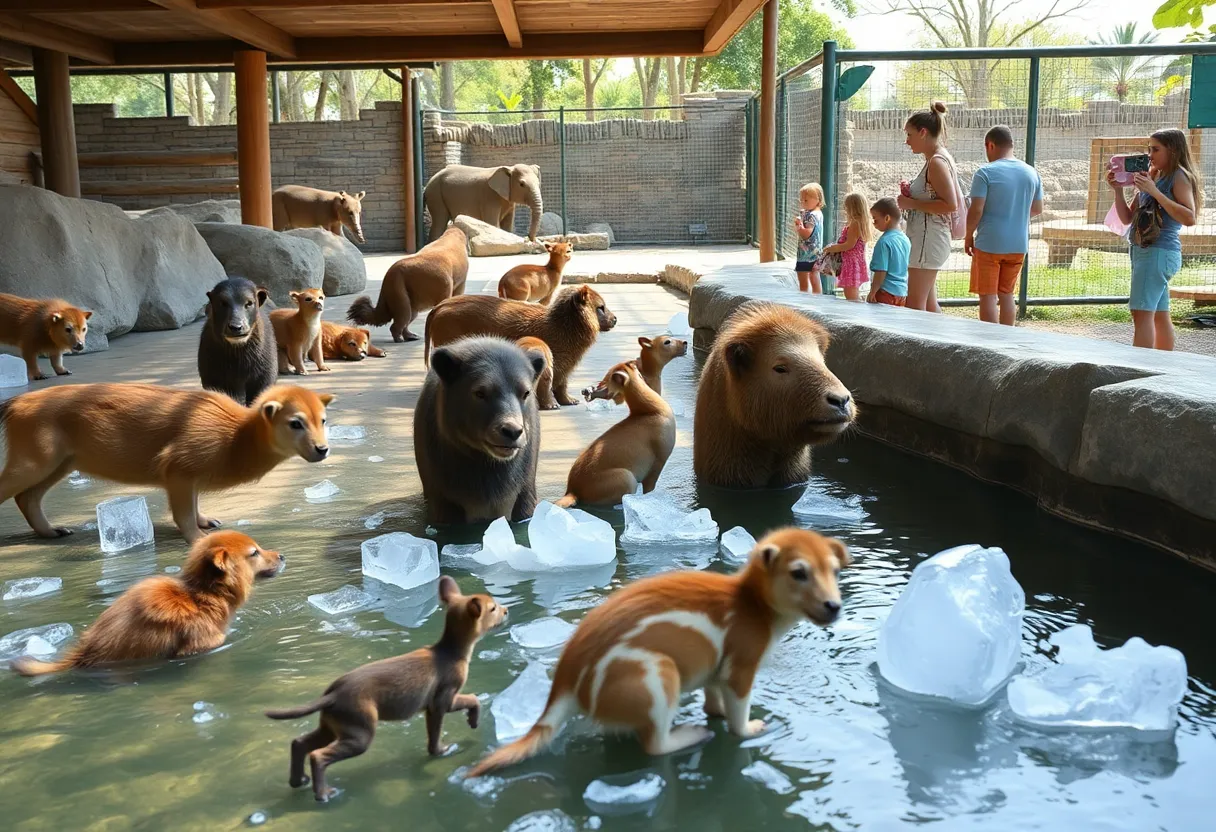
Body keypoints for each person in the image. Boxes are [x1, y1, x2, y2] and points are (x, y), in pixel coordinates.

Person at [1107, 128, 1200, 351]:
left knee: (1141, 313)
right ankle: (1162, 365)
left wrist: (1155, 192)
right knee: (1158, 313)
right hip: (1146, 252)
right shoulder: (1153, 174)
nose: (1150, 155)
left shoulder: (1178, 176)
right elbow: (1128, 218)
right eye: (1149, 149)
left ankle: (1141, 367)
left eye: (1156, 149)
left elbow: (1190, 217)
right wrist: (1118, 190)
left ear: (1174, 150)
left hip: (1158, 251)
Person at [966, 125, 1044, 326]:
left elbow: (976, 209)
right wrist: (1015, 214)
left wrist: (968, 235)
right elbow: (1037, 209)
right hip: (1018, 244)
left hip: (989, 243)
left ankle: (990, 343)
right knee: (1007, 294)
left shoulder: (985, 172)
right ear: (1012, 145)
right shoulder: (1031, 173)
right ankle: (1007, 340)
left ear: (990, 145)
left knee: (988, 296)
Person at [897, 102, 961, 313]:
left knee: (915, 307)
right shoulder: (936, 158)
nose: (907, 141)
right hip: (927, 240)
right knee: (930, 306)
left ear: (923, 132)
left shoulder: (936, 162)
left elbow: (949, 205)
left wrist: (911, 203)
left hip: (928, 239)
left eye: (910, 134)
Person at [821, 192, 873, 302]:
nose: (844, 209)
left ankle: (856, 314)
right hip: (852, 262)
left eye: (846, 206)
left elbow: (849, 245)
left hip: (851, 263)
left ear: (853, 207)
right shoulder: (859, 223)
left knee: (851, 296)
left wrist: (832, 248)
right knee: (850, 293)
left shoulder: (855, 223)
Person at [867, 198, 911, 307]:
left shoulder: (884, 242)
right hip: (902, 292)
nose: (873, 224)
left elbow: (881, 271)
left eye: (875, 220)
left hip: (885, 292)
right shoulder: (905, 239)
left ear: (887, 218)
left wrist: (873, 291)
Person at [793, 183, 825, 293]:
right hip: (816, 253)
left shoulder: (812, 216)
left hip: (807, 254)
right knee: (814, 276)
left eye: (805, 200)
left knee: (803, 276)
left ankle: (804, 296)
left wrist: (799, 227)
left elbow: (807, 234)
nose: (802, 202)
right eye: (801, 200)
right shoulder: (817, 213)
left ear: (818, 200)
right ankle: (817, 297)